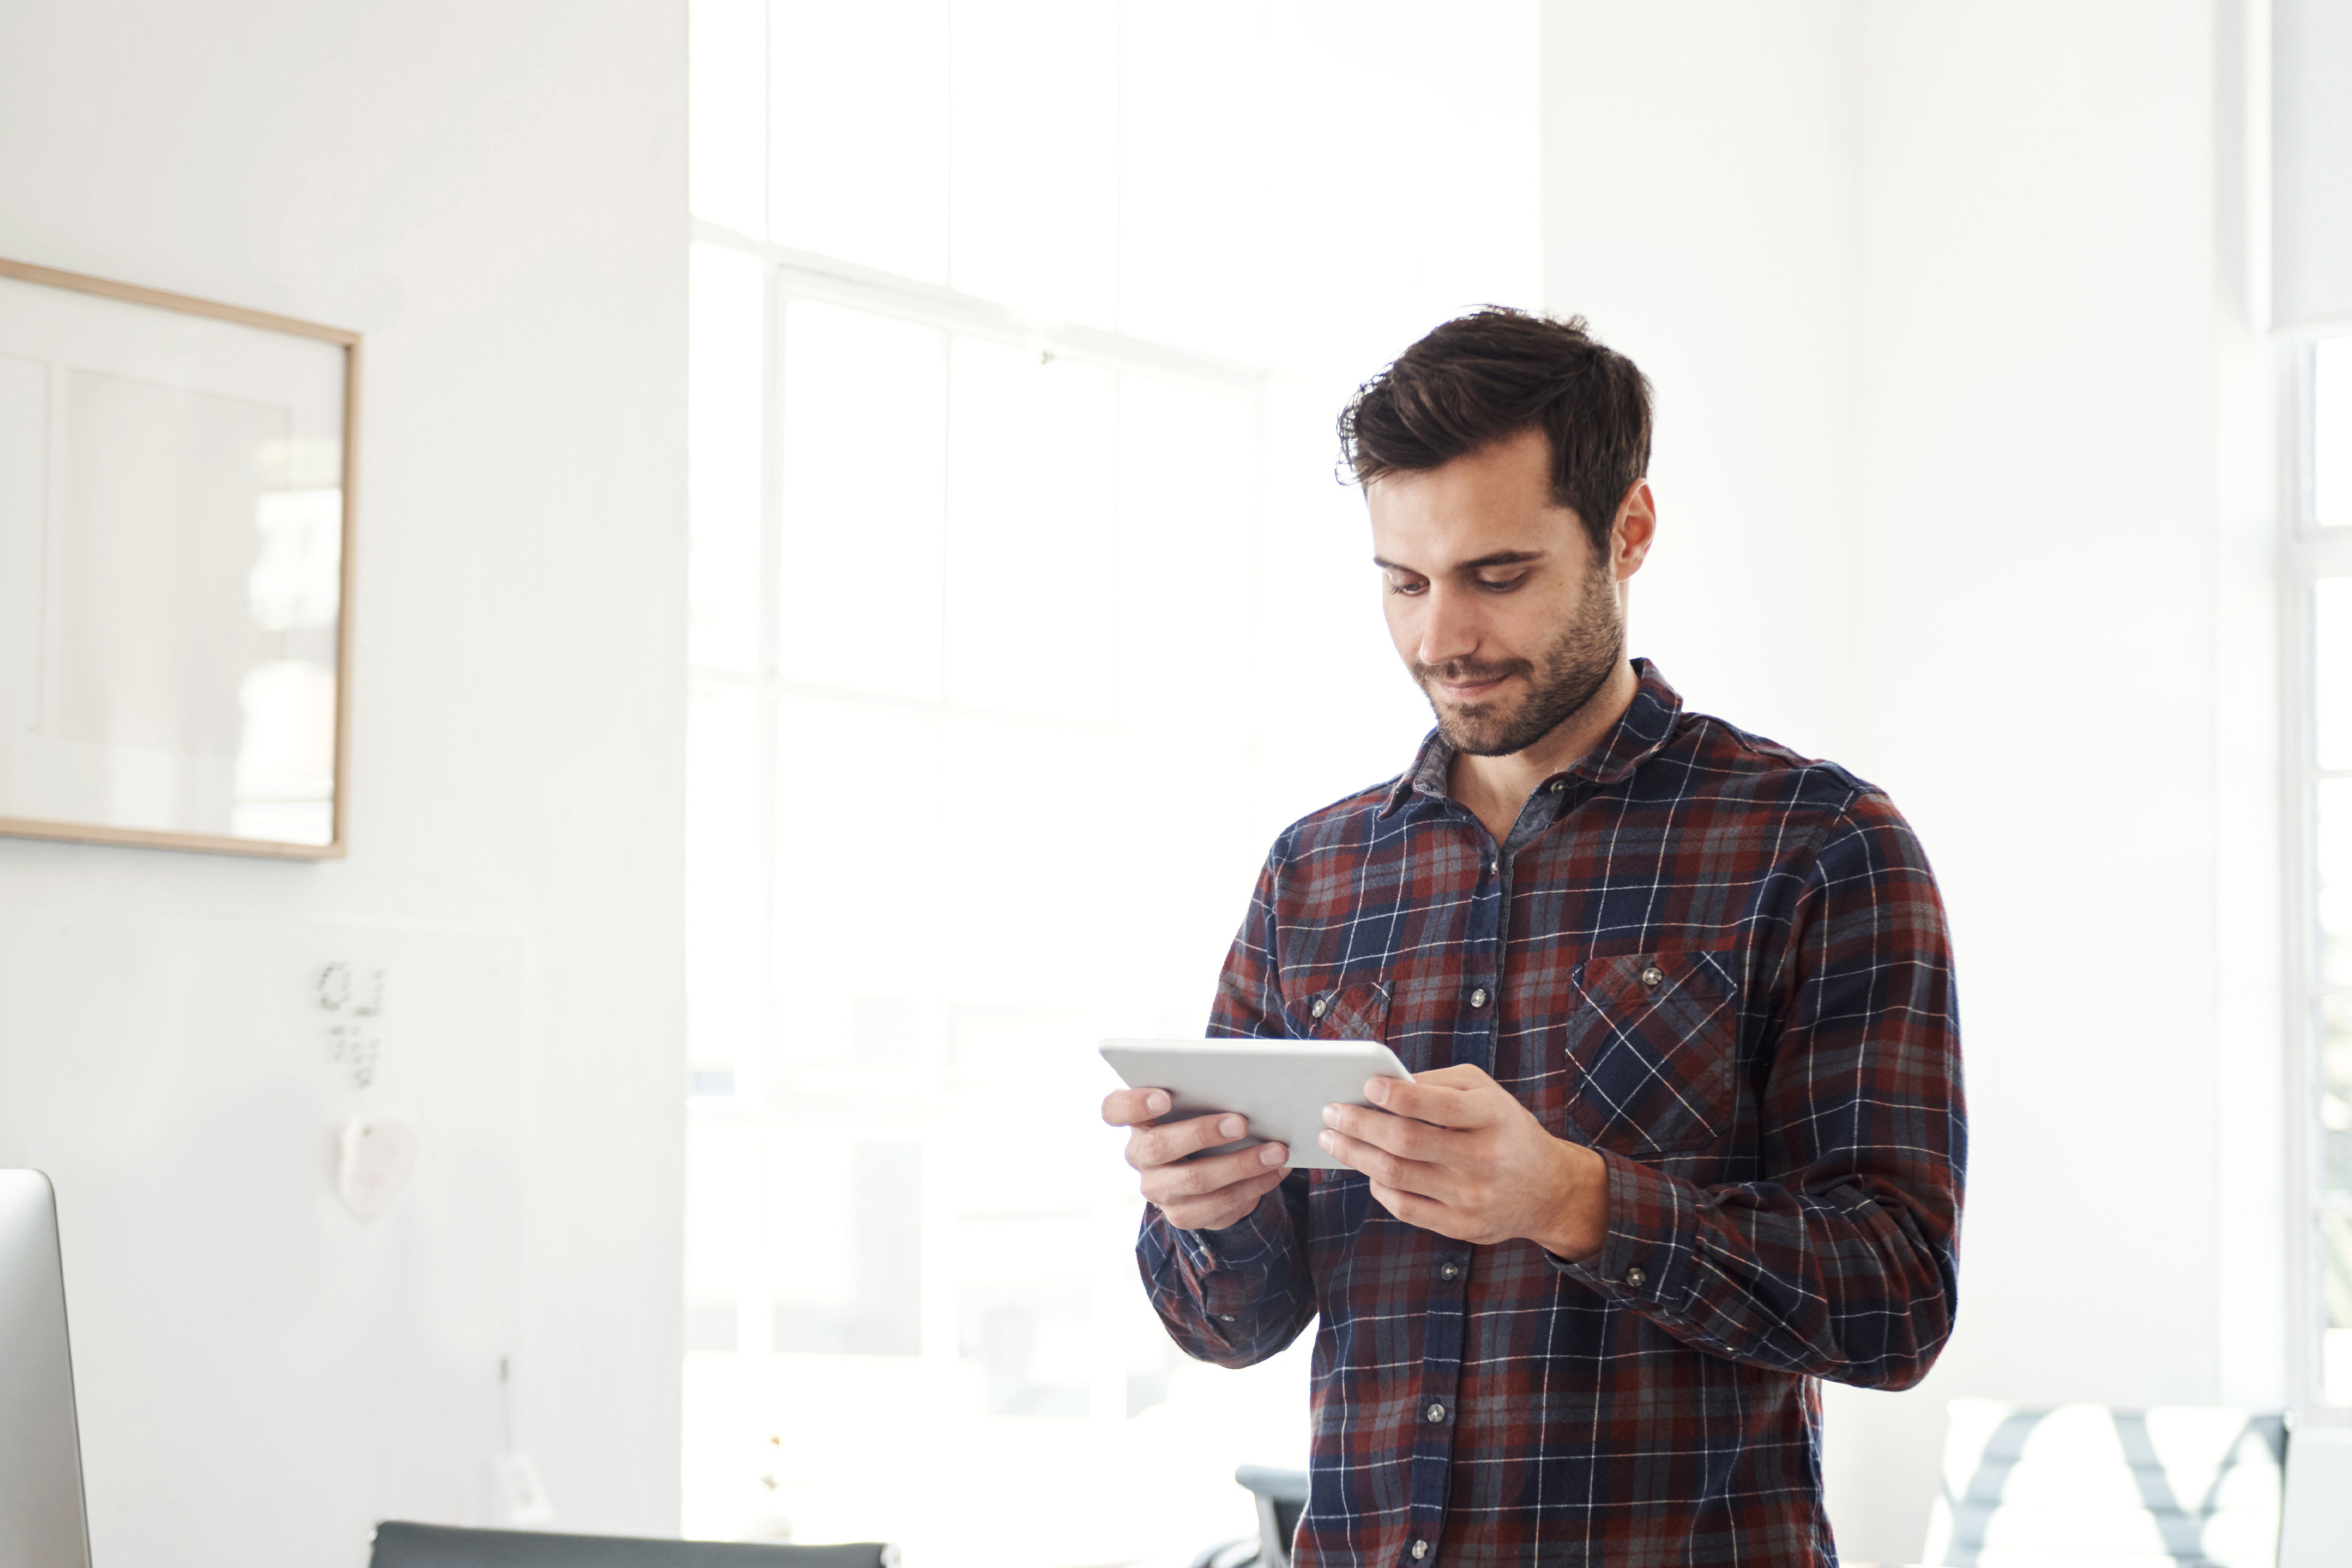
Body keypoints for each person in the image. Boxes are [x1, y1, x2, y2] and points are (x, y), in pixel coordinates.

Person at [1102, 308, 1965, 1568]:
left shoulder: (1816, 843)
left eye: (1496, 575)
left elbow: (1897, 1297)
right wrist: (1204, 1210)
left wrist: (1573, 1198)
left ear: (1629, 532)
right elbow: (1228, 1322)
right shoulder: (1316, 871)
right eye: (1404, 581)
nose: (1441, 637)